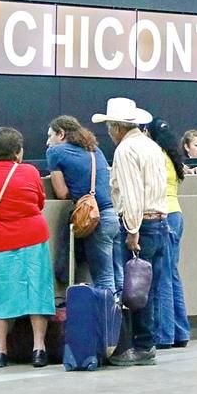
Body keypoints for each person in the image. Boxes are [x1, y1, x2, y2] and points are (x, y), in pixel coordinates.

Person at [0, 127, 54, 368]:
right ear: (18, 151)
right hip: (33, 237)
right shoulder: (30, 171)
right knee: (37, 291)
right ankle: (39, 349)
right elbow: (39, 201)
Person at [93, 97, 168, 367]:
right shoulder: (151, 146)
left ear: (116, 127)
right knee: (151, 287)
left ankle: (142, 345)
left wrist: (133, 230)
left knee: (136, 291)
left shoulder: (125, 151)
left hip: (141, 224)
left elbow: (132, 194)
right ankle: (148, 341)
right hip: (160, 221)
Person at [45, 115, 117, 291]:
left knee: (103, 279)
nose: (48, 142)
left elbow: (61, 193)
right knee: (116, 273)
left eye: (50, 135)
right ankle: (121, 317)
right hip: (112, 216)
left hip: (94, 219)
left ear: (61, 134)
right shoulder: (94, 150)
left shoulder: (55, 153)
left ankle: (106, 318)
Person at [145, 118, 192, 349]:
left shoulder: (156, 157)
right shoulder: (172, 158)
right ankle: (180, 332)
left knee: (162, 277)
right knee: (172, 275)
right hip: (176, 214)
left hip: (164, 215)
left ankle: (164, 334)